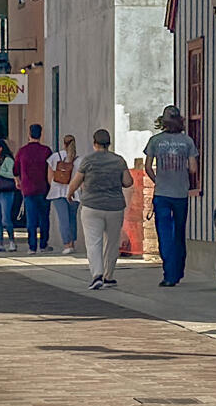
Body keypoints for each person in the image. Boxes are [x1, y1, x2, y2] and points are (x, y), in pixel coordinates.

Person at [143, 107, 200, 287]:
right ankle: (178, 270)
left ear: (163, 121)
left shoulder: (155, 140)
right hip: (180, 194)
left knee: (165, 233)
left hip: (162, 194)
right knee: (179, 233)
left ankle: (169, 273)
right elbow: (193, 169)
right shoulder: (187, 141)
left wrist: (157, 180)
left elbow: (147, 166)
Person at [69, 129, 132, 290]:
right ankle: (108, 276)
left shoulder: (88, 160)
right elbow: (128, 182)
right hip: (114, 207)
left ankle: (97, 275)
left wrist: (69, 193)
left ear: (94, 143)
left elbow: (76, 181)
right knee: (111, 243)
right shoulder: (118, 160)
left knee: (93, 242)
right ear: (109, 144)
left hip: (91, 206)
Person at [15, 124, 54, 253]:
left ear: (29, 134)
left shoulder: (22, 151)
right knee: (44, 218)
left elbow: (15, 170)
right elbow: (51, 169)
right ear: (40, 134)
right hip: (44, 188)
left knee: (31, 219)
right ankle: (43, 244)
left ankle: (32, 246)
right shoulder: (46, 151)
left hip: (28, 188)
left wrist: (18, 182)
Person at [0, 138, 20, 252]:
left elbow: (12, 174)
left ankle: (12, 241)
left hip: (6, 191)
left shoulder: (8, 160)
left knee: (6, 218)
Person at [49, 134, 79, 255]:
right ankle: (72, 243)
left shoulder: (55, 157)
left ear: (63, 144)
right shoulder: (79, 159)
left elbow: (50, 176)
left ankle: (66, 244)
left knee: (63, 219)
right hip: (74, 193)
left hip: (58, 192)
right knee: (72, 219)